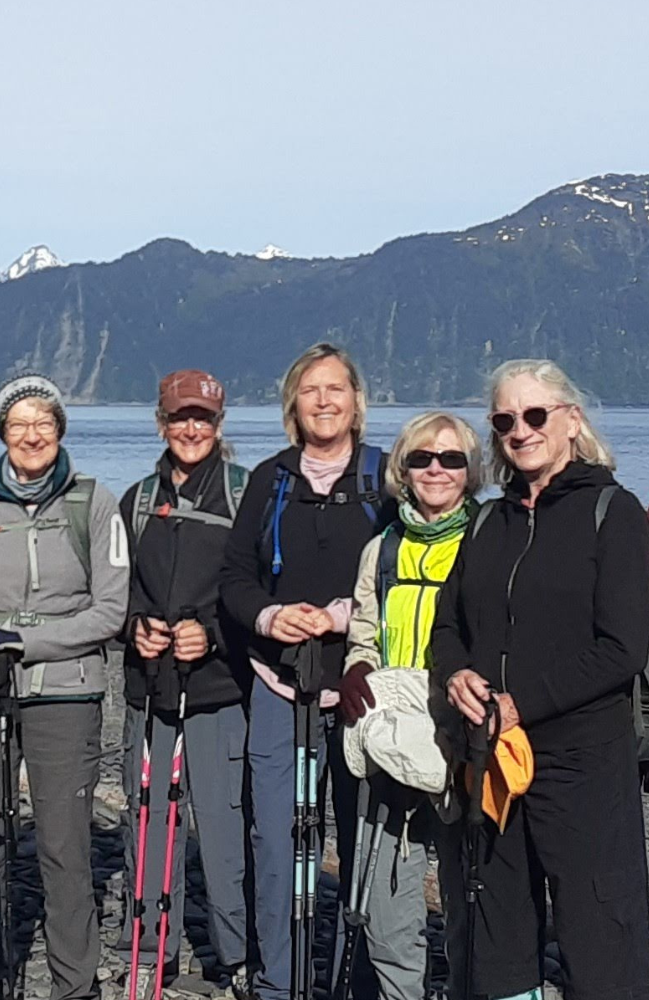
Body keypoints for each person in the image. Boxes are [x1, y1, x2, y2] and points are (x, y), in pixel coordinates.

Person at [430, 359, 649, 1000]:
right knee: (497, 940)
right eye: (505, 420)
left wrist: (519, 703)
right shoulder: (487, 521)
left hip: (584, 764)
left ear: (572, 421)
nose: (520, 431)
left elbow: (622, 649)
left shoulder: (613, 513)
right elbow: (447, 624)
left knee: (600, 943)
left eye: (534, 415)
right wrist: (455, 674)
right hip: (494, 759)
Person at [0, 373, 129, 1000]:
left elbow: (110, 612)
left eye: (43, 423)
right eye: (19, 424)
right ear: (2, 432)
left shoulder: (94, 502)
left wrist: (26, 641)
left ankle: (74, 982)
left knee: (64, 846)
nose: (31, 435)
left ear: (60, 430)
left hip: (67, 692)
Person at [217, 343, 387, 1000]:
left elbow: (406, 573)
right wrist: (268, 617)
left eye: (335, 388)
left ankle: (355, 980)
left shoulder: (384, 478)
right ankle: (279, 982)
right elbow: (234, 577)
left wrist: (345, 615)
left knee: (364, 836)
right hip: (279, 685)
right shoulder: (271, 480)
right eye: (310, 390)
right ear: (293, 404)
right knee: (278, 839)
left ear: (356, 400)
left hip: (362, 685)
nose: (323, 401)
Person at [338, 412, 484, 1000]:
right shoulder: (382, 550)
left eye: (451, 459)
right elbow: (364, 630)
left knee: (470, 892)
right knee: (388, 899)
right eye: (421, 458)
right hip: (393, 732)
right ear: (403, 469)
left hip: (463, 734)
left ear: (471, 470)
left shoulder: (488, 541)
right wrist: (357, 668)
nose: (436, 470)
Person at [117, 370, 254, 1000]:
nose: (191, 429)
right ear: (161, 424)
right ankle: (151, 946)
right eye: (179, 417)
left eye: (202, 418)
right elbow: (115, 592)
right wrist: (134, 629)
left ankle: (238, 953)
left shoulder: (244, 497)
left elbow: (257, 594)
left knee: (225, 829)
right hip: (150, 690)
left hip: (220, 692)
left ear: (219, 426)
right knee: (147, 821)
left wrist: (215, 635)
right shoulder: (137, 501)